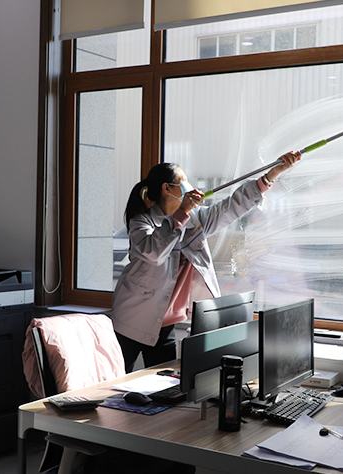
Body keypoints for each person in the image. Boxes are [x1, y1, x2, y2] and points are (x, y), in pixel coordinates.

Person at [111, 151, 301, 372]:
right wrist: (181, 213)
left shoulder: (197, 219)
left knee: (162, 384)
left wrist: (271, 175)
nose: (189, 186)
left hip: (165, 323)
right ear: (167, 189)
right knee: (115, 379)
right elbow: (153, 253)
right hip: (131, 321)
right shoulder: (142, 222)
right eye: (183, 181)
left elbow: (232, 206)